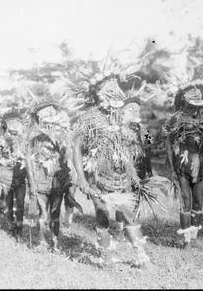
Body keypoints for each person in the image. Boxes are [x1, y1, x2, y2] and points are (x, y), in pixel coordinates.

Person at [69, 71, 162, 268]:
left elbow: (149, 142)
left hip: (122, 177)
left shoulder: (125, 114)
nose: (113, 90)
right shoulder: (89, 117)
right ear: (98, 92)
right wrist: (82, 179)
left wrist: (145, 132)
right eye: (107, 86)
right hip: (98, 177)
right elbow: (76, 147)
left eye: (115, 86)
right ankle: (107, 258)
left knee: (129, 216)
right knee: (102, 216)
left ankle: (142, 257)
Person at [164, 85, 203, 248]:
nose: (195, 107)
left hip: (201, 164)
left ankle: (193, 237)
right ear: (185, 101)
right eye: (192, 103)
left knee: (198, 202)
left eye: (198, 104)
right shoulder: (175, 118)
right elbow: (168, 144)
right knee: (186, 201)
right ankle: (186, 241)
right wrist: (171, 169)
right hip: (182, 165)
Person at [25, 101, 75, 251]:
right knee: (43, 212)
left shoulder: (64, 134)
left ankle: (55, 240)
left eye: (52, 113)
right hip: (40, 178)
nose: (50, 117)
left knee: (55, 211)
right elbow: (28, 160)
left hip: (58, 179)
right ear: (39, 118)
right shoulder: (33, 135)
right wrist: (32, 182)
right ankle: (41, 240)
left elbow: (69, 156)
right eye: (46, 114)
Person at [0, 109, 27, 242]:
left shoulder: (24, 140)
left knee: (21, 203)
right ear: (6, 125)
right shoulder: (1, 139)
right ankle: (11, 226)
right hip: (6, 175)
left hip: (21, 177)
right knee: (9, 202)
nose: (15, 125)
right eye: (12, 123)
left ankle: (19, 227)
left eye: (17, 122)